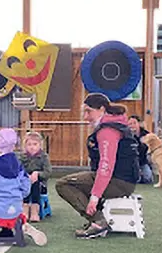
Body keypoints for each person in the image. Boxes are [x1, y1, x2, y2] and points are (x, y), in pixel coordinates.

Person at [56, 93, 139, 239]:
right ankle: (99, 218)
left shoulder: (107, 131)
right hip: (126, 180)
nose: (85, 117)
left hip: (117, 181)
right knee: (83, 180)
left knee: (63, 184)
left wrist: (95, 197)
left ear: (101, 109)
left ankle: (98, 221)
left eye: (88, 111)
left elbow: (106, 165)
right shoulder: (118, 124)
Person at [18, 131, 52, 222]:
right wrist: (26, 176)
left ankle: (34, 210)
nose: (32, 147)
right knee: (25, 184)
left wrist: (38, 174)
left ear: (40, 145)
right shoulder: (22, 157)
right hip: (25, 181)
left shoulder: (44, 157)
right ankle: (25, 208)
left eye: (35, 144)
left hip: (40, 184)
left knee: (35, 184)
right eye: (29, 144)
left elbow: (48, 172)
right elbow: (18, 171)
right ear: (25, 146)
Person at [128, 114, 153, 184]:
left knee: (148, 178)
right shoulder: (126, 136)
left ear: (139, 124)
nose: (132, 125)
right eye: (130, 124)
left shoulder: (147, 135)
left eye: (134, 123)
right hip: (130, 163)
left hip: (143, 162)